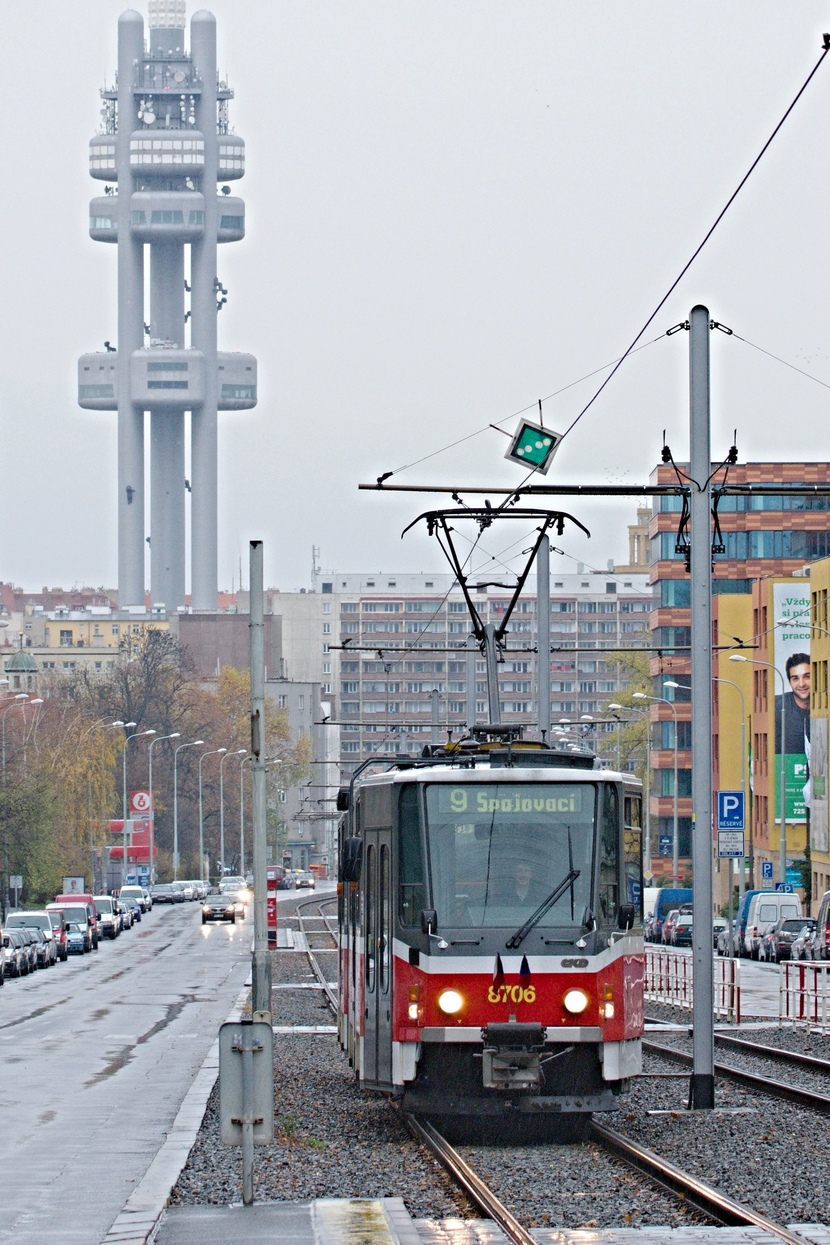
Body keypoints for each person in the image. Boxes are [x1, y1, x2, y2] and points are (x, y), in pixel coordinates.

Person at [774, 653, 810, 756]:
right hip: (786, 770)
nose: (802, 684)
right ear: (790, 682)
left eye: (807, 677)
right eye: (795, 678)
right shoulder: (777, 707)